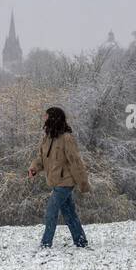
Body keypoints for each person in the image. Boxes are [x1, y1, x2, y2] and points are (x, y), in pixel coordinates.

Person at [27, 106, 90, 248]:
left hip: (65, 182)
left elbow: (75, 162)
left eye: (47, 116)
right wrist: (34, 168)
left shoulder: (67, 138)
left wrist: (83, 183)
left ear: (54, 118)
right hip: (55, 182)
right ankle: (80, 241)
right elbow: (42, 159)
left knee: (51, 211)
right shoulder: (47, 138)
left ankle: (45, 243)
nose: (44, 118)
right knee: (69, 214)